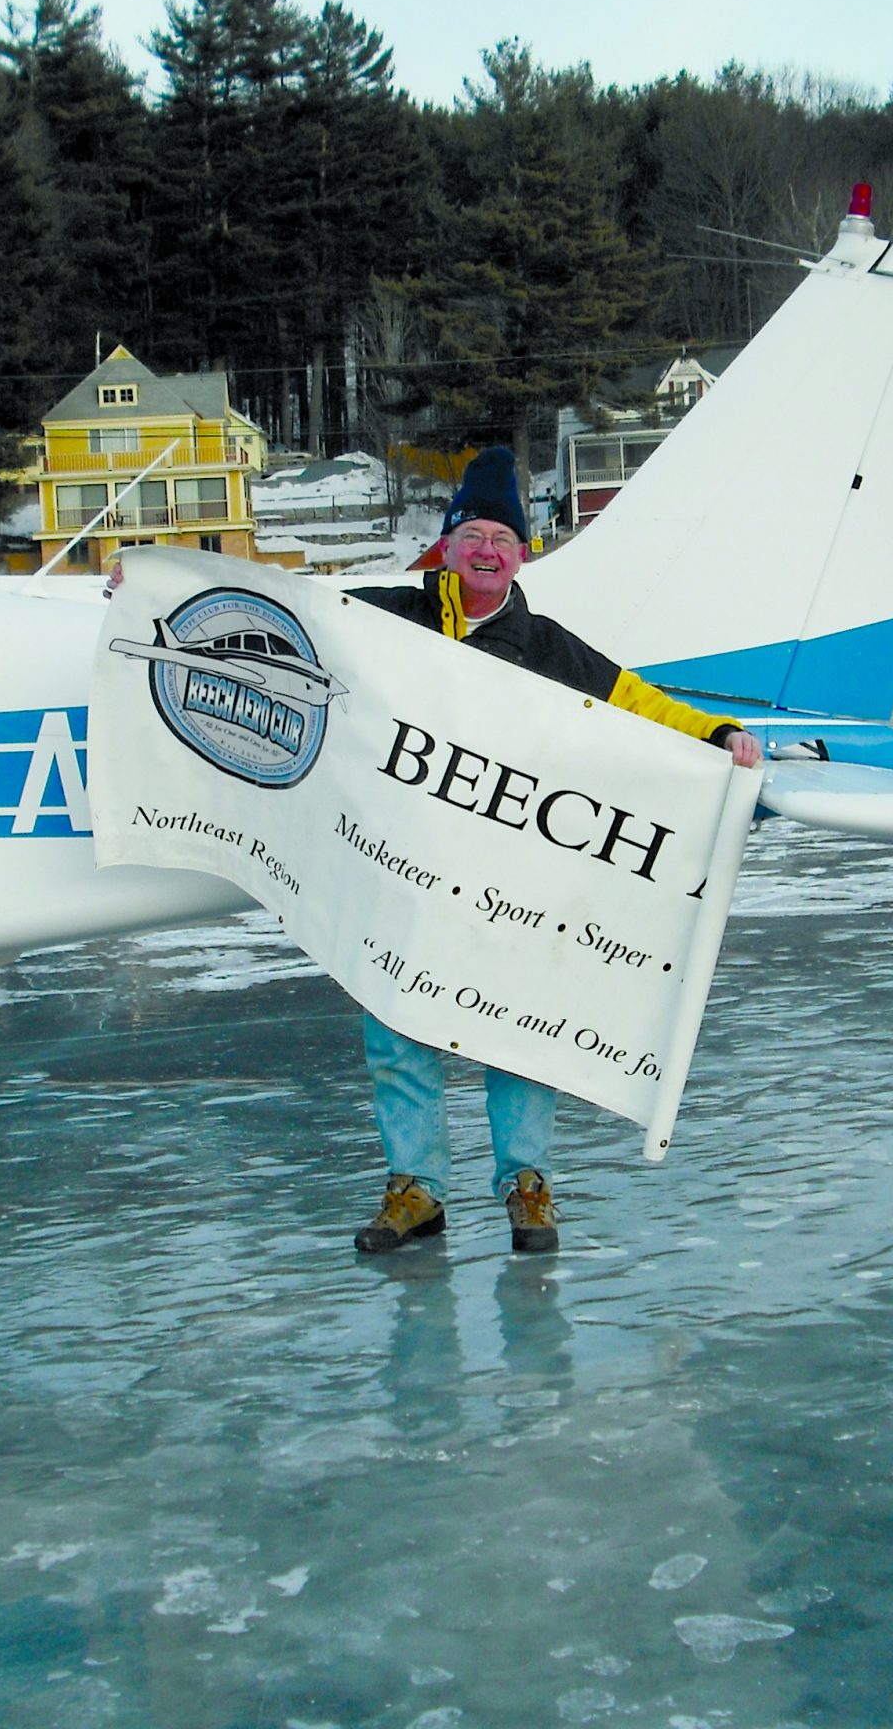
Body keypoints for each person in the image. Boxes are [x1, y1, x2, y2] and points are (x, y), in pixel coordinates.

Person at [344, 446, 762, 1256]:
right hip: (405, 874)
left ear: (524, 552)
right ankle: (416, 1191)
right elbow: (292, 620)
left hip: (512, 885)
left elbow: (639, 704)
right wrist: (162, 593)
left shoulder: (546, 644)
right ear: (448, 544)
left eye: (504, 536)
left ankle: (527, 1187)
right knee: (397, 1030)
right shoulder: (392, 618)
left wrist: (718, 733)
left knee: (518, 1030)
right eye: (474, 534)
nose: (488, 551)